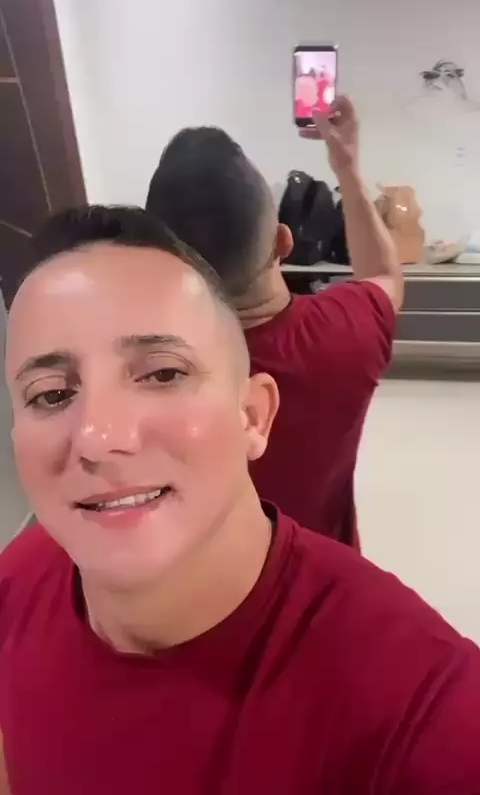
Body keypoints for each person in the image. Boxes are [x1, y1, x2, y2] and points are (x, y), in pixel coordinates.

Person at [1, 205, 480, 794]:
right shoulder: (18, 583)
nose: (99, 436)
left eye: (162, 374)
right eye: (51, 395)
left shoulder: (420, 711)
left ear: (253, 416)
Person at [146, 97, 404, 547]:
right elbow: (385, 274)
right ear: (284, 242)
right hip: (325, 574)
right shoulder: (348, 330)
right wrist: (346, 168)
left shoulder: (138, 374)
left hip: (192, 584)